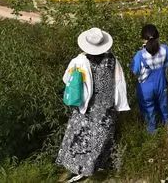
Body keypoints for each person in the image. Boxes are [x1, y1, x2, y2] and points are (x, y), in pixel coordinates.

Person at [56, 28, 130, 182]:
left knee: (78, 137)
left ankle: (76, 170)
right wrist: (120, 104)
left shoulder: (79, 61)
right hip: (106, 108)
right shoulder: (112, 60)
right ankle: (94, 170)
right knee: (100, 139)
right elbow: (119, 82)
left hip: (86, 107)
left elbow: (67, 79)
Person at [130, 24, 168, 138]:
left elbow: (134, 71)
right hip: (161, 83)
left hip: (145, 87)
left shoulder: (139, 55)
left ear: (143, 39)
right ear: (158, 36)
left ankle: (153, 132)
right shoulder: (166, 49)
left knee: (148, 109)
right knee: (163, 105)